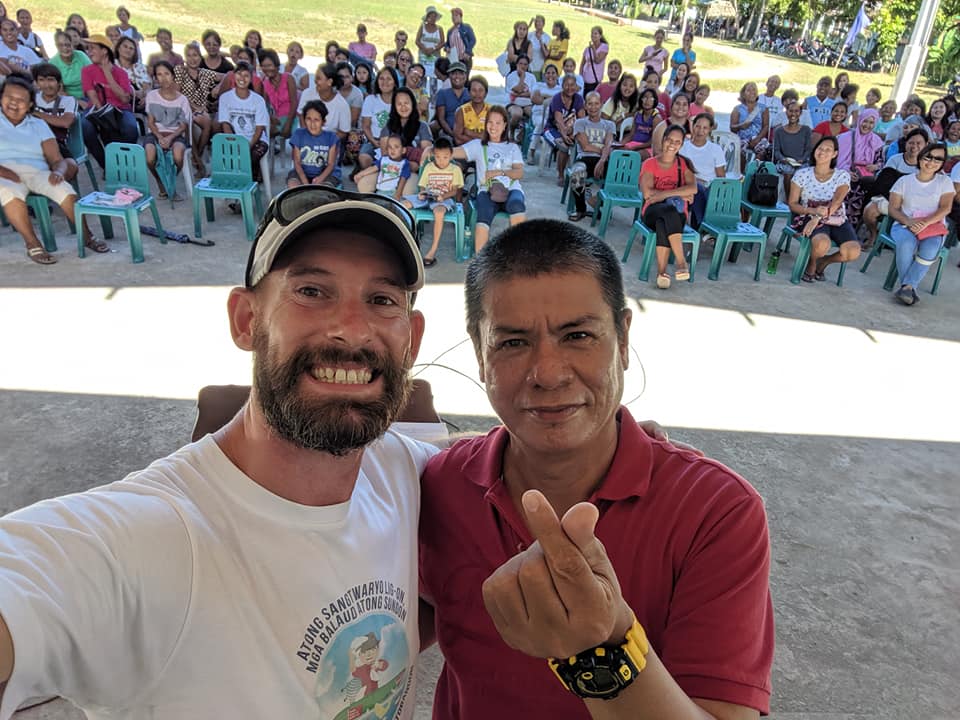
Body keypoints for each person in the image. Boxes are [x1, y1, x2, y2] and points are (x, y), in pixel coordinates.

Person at [0, 184, 434, 717]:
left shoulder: (404, 470)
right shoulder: (147, 539)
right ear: (245, 320)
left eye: (382, 299)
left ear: (411, 339)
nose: (351, 330)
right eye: (312, 291)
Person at [419, 219, 773, 716]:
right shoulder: (440, 486)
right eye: (513, 343)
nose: (548, 373)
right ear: (480, 354)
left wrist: (603, 646)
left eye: (579, 335)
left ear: (623, 341)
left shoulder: (715, 513)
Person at [0, 73, 101, 265]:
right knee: (9, 192)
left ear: (30, 105)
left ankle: (87, 236)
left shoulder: (38, 124)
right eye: (8, 97)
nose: (14, 103)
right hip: (4, 173)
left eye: (21, 100)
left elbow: (56, 159)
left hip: (37, 171)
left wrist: (58, 172)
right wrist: (4, 172)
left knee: (66, 191)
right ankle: (32, 244)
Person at [439, 105, 525, 251]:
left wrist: (499, 173)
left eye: (498, 123)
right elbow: (453, 152)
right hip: (487, 190)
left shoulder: (512, 147)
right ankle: (481, 261)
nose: (493, 127)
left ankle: (518, 256)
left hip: (511, 189)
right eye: (490, 122)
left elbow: (519, 173)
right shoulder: (478, 145)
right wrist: (433, 150)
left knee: (517, 206)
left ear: (505, 125)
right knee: (483, 214)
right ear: (486, 125)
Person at [887, 141, 954, 304]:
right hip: (905, 224)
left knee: (930, 248)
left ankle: (907, 287)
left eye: (938, 159)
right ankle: (909, 288)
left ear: (942, 163)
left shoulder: (944, 182)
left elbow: (945, 208)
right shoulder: (904, 181)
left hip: (933, 226)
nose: (932, 162)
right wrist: (908, 221)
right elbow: (893, 209)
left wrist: (925, 223)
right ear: (921, 157)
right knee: (906, 245)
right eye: (928, 157)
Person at [788, 136, 860, 283]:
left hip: (836, 217)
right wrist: (813, 213)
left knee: (853, 251)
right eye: (820, 148)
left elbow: (837, 200)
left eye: (828, 150)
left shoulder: (842, 175)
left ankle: (824, 262)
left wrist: (818, 218)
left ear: (834, 154)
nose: (822, 152)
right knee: (822, 244)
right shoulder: (802, 174)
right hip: (809, 214)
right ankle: (812, 263)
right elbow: (793, 204)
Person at [641, 123, 697, 288]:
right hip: (651, 211)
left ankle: (662, 273)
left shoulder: (683, 164)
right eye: (669, 140)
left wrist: (663, 194)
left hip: (676, 214)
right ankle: (681, 262)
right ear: (663, 140)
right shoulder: (650, 163)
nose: (672, 144)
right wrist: (680, 192)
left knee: (664, 220)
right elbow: (647, 194)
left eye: (677, 142)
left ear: (681, 145)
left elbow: (693, 188)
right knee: (666, 212)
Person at [401, 135, 462, 266]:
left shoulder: (455, 169)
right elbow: (422, 184)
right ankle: (402, 242)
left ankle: (432, 251)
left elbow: (455, 190)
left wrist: (443, 196)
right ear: (434, 154)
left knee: (439, 213)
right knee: (403, 205)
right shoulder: (429, 167)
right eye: (438, 157)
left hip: (443, 199)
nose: (441, 161)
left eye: (445, 157)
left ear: (451, 156)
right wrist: (422, 192)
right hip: (428, 196)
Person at [861, 128, 926, 249]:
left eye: (919, 143)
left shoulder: (927, 164)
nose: (914, 146)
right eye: (911, 142)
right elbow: (884, 184)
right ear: (906, 143)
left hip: (914, 203)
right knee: (869, 211)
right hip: (890, 196)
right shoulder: (895, 159)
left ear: (926, 145)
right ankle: (873, 236)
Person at [80, 34, 138, 169]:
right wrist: (103, 115)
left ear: (104, 50)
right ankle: (107, 166)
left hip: (120, 108)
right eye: (88, 48)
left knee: (131, 129)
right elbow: (92, 95)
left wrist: (108, 74)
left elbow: (124, 98)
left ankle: (123, 164)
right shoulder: (87, 71)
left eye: (93, 48)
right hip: (97, 107)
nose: (89, 51)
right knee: (84, 126)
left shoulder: (121, 73)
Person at [142, 60, 192, 200]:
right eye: (159, 74)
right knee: (150, 156)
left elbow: (183, 125)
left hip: (175, 135)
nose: (163, 78)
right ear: (155, 78)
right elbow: (150, 122)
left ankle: (169, 182)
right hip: (156, 134)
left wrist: (169, 138)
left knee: (177, 154)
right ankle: (161, 182)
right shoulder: (152, 96)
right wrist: (159, 137)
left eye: (167, 74)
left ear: (173, 76)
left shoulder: (182, 100)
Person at [174, 41, 221, 175]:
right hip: (184, 109)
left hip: (202, 112)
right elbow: (177, 94)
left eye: (195, 55)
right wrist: (194, 107)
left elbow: (228, 75)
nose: (192, 59)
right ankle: (198, 161)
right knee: (200, 121)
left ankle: (196, 158)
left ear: (200, 57)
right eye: (189, 56)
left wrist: (219, 86)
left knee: (207, 121)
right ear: (185, 58)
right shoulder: (180, 71)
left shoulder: (205, 73)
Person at [218, 61, 269, 182]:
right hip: (234, 139)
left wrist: (248, 145)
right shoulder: (225, 98)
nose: (242, 78)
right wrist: (235, 144)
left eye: (246, 75)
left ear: (251, 79)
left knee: (252, 155)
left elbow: (260, 128)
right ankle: (239, 183)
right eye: (239, 74)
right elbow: (225, 124)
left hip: (256, 140)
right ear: (233, 76)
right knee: (224, 153)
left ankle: (247, 183)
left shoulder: (258, 100)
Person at [566, 90, 613, 222]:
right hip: (585, 158)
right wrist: (603, 149)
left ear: (601, 104)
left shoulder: (609, 125)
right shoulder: (580, 123)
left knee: (615, 176)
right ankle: (581, 209)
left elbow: (609, 144)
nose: (593, 107)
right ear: (585, 106)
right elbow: (586, 146)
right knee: (577, 173)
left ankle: (599, 204)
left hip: (602, 160)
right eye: (590, 104)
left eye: (596, 104)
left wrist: (603, 160)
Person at [836, 109, 883, 225]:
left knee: (858, 207)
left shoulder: (876, 141)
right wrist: (845, 171)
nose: (867, 125)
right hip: (844, 178)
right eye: (865, 121)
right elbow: (835, 159)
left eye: (871, 123)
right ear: (860, 120)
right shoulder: (844, 138)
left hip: (864, 182)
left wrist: (875, 166)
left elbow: (881, 161)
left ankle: (850, 232)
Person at [682, 112, 727, 228]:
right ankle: (705, 227)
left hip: (710, 188)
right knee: (697, 188)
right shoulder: (684, 147)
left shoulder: (715, 149)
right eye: (697, 126)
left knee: (702, 190)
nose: (700, 131)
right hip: (689, 185)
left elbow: (721, 177)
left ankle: (701, 225)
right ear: (693, 126)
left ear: (710, 129)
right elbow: (681, 172)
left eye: (705, 128)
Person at [32, 63, 79, 167]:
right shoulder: (32, 99)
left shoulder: (68, 100)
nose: (46, 85)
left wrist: (36, 113)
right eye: (41, 80)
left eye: (50, 80)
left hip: (57, 144)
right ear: (36, 83)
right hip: (33, 142)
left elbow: (65, 122)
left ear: (59, 83)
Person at [287, 99, 339, 188]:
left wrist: (319, 179)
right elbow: (297, 162)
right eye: (308, 119)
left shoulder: (331, 137)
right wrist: (305, 183)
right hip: (301, 172)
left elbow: (331, 164)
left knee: (323, 191)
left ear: (323, 121)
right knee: (293, 187)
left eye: (316, 120)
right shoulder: (298, 135)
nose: (312, 124)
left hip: (325, 174)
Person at [543, 73, 584, 186]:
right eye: (567, 85)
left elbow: (581, 119)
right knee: (564, 146)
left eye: (572, 85)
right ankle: (561, 175)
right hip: (552, 129)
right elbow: (558, 120)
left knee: (583, 142)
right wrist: (564, 135)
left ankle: (578, 174)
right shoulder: (557, 98)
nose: (570, 88)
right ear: (562, 86)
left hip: (571, 129)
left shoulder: (579, 99)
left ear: (576, 86)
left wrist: (573, 134)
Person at [356, 67, 398, 173]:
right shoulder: (370, 99)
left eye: (389, 79)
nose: (385, 82)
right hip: (373, 140)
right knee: (364, 159)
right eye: (381, 78)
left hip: (394, 141)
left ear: (395, 82)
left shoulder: (399, 100)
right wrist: (374, 142)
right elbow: (366, 126)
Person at [353, 133, 411, 200]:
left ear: (403, 150)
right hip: (380, 191)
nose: (392, 150)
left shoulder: (404, 163)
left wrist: (398, 194)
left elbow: (403, 179)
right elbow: (373, 168)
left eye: (396, 147)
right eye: (390, 147)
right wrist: (360, 174)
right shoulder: (384, 159)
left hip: (393, 192)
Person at [259, 49, 297, 143]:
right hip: (276, 119)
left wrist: (288, 123)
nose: (266, 69)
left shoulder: (288, 78)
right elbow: (264, 106)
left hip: (291, 117)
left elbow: (294, 103)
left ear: (276, 65)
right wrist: (271, 118)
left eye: (269, 65)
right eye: (263, 66)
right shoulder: (265, 83)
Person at [773, 100, 812, 193]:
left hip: (801, 162)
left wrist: (802, 159)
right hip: (785, 162)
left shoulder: (806, 130)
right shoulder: (779, 131)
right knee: (788, 172)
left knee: (801, 173)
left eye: (796, 111)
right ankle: (789, 202)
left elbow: (808, 149)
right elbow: (777, 151)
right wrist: (783, 159)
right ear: (786, 112)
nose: (793, 114)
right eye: (790, 111)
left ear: (800, 113)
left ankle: (799, 201)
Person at [730, 81, 770, 162]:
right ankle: (742, 173)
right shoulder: (738, 109)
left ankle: (753, 170)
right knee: (740, 151)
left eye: (754, 90)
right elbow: (732, 127)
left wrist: (758, 139)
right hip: (742, 138)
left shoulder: (763, 108)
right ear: (743, 94)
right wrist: (741, 126)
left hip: (758, 137)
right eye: (749, 90)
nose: (752, 92)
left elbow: (766, 126)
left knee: (762, 151)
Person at [49, 29, 91, 103]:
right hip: (67, 100)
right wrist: (78, 102)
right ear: (56, 46)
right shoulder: (53, 63)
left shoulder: (81, 55)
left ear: (72, 44)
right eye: (60, 45)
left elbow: (92, 74)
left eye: (67, 45)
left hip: (89, 95)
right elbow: (59, 92)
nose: (65, 48)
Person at [433, 61, 468, 140]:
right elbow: (441, 119)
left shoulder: (470, 93)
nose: (457, 76)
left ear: (465, 76)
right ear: (449, 76)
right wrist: (453, 134)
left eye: (460, 73)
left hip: (467, 132)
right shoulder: (442, 93)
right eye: (454, 73)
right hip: (448, 131)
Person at [600, 71, 639, 140]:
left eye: (631, 86)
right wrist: (615, 123)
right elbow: (603, 122)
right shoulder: (613, 101)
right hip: (613, 135)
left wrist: (624, 116)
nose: (627, 88)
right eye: (624, 85)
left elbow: (639, 113)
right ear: (620, 86)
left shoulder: (637, 102)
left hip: (631, 135)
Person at [115, 35, 149, 113]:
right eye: (125, 46)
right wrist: (133, 93)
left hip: (140, 100)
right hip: (122, 100)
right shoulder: (113, 65)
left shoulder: (139, 66)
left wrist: (146, 97)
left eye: (131, 48)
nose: (128, 50)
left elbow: (147, 85)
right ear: (118, 48)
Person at [622, 87, 661, 155]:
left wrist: (636, 147)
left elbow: (653, 141)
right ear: (641, 100)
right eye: (645, 98)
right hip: (634, 144)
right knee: (617, 151)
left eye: (651, 98)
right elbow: (631, 134)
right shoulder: (637, 114)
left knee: (637, 155)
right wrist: (621, 143)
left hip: (648, 147)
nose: (647, 101)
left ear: (655, 101)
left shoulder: (656, 118)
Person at [650, 91, 690, 155]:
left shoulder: (692, 127)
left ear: (688, 108)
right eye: (677, 103)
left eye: (684, 104)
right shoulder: (661, 127)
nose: (680, 107)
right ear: (671, 106)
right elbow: (656, 152)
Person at [453, 75, 489, 146]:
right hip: (466, 150)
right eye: (474, 90)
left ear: (486, 93)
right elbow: (458, 140)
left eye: (481, 90)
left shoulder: (491, 111)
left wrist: (469, 133)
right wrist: (480, 138)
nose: (477, 94)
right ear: (469, 92)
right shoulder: (461, 111)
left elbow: (493, 138)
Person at [505, 54, 533, 142]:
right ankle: (511, 132)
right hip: (514, 103)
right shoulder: (511, 76)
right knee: (517, 114)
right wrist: (522, 78)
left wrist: (519, 94)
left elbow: (532, 93)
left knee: (534, 114)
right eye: (521, 63)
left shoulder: (532, 77)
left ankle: (522, 134)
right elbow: (517, 89)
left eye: (525, 64)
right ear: (517, 64)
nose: (523, 66)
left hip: (528, 103)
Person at [415, 6, 444, 76]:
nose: (433, 19)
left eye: (434, 17)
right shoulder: (422, 27)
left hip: (435, 57)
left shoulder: (439, 29)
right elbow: (417, 41)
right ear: (427, 18)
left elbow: (442, 42)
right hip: (423, 58)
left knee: (434, 75)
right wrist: (424, 49)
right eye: (431, 17)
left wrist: (433, 49)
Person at [579, 26, 608, 95]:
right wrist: (580, 76)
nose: (593, 35)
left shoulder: (604, 47)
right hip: (585, 81)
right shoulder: (587, 49)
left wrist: (594, 49)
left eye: (595, 33)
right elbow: (582, 63)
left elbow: (597, 60)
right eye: (592, 33)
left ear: (600, 36)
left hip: (594, 82)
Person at [526, 14, 548, 80]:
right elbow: (519, 36)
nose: (537, 23)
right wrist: (529, 25)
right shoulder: (530, 35)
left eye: (539, 21)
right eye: (536, 21)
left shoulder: (547, 38)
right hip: (529, 67)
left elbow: (547, 55)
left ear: (543, 24)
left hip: (540, 68)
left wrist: (540, 40)